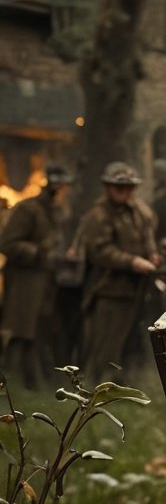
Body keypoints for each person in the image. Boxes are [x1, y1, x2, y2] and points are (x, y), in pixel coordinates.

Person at [77, 161, 159, 382]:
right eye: (120, 188)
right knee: (104, 345)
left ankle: (124, 387)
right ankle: (95, 390)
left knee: (132, 343)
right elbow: (100, 251)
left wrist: (152, 254)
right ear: (108, 188)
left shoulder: (139, 211)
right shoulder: (98, 215)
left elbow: (148, 234)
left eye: (130, 188)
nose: (126, 193)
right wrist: (132, 261)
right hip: (108, 289)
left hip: (136, 289)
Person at [0, 163, 74, 391]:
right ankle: (10, 384)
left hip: (47, 280)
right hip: (25, 281)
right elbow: (7, 244)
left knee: (41, 333)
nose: (65, 192)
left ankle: (34, 383)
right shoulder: (27, 209)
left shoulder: (57, 212)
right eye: (62, 187)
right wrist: (40, 252)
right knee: (21, 332)